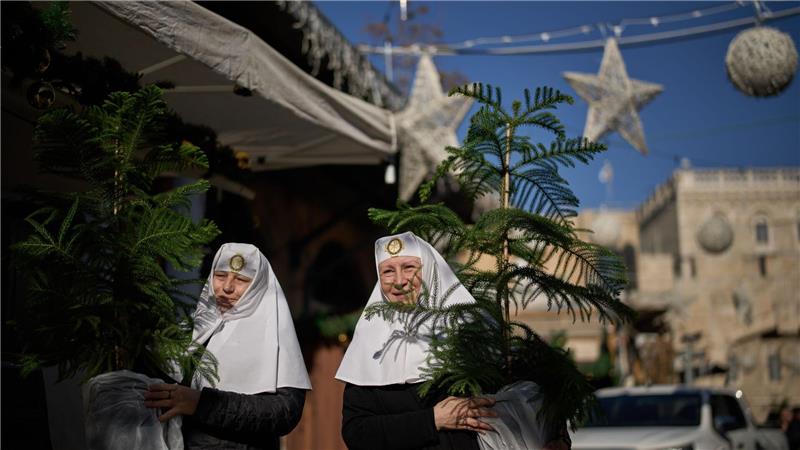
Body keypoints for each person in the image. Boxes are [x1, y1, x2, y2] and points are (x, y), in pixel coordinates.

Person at [336, 231, 570, 450]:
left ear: (429, 269)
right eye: (388, 271)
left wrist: (557, 437)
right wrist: (432, 420)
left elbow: (540, 392)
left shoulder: (471, 326)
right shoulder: (370, 344)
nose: (399, 281)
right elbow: (356, 432)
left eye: (409, 268)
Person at [143, 243, 311, 450]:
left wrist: (202, 403)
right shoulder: (191, 330)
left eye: (241, 280)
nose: (227, 287)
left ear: (258, 285)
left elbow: (285, 412)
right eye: (220, 276)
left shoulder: (274, 335)